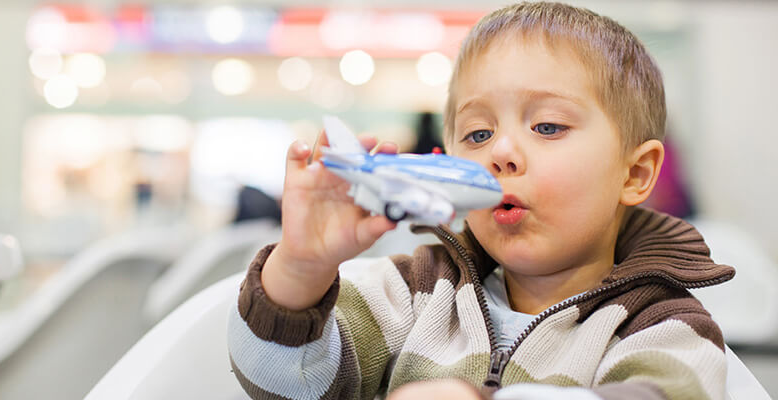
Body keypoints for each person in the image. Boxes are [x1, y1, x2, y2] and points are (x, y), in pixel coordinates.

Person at [228, 2, 735, 399]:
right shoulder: (413, 293)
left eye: (547, 126)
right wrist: (301, 267)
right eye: (477, 134)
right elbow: (288, 386)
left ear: (636, 172)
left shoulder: (667, 325)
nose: (502, 152)